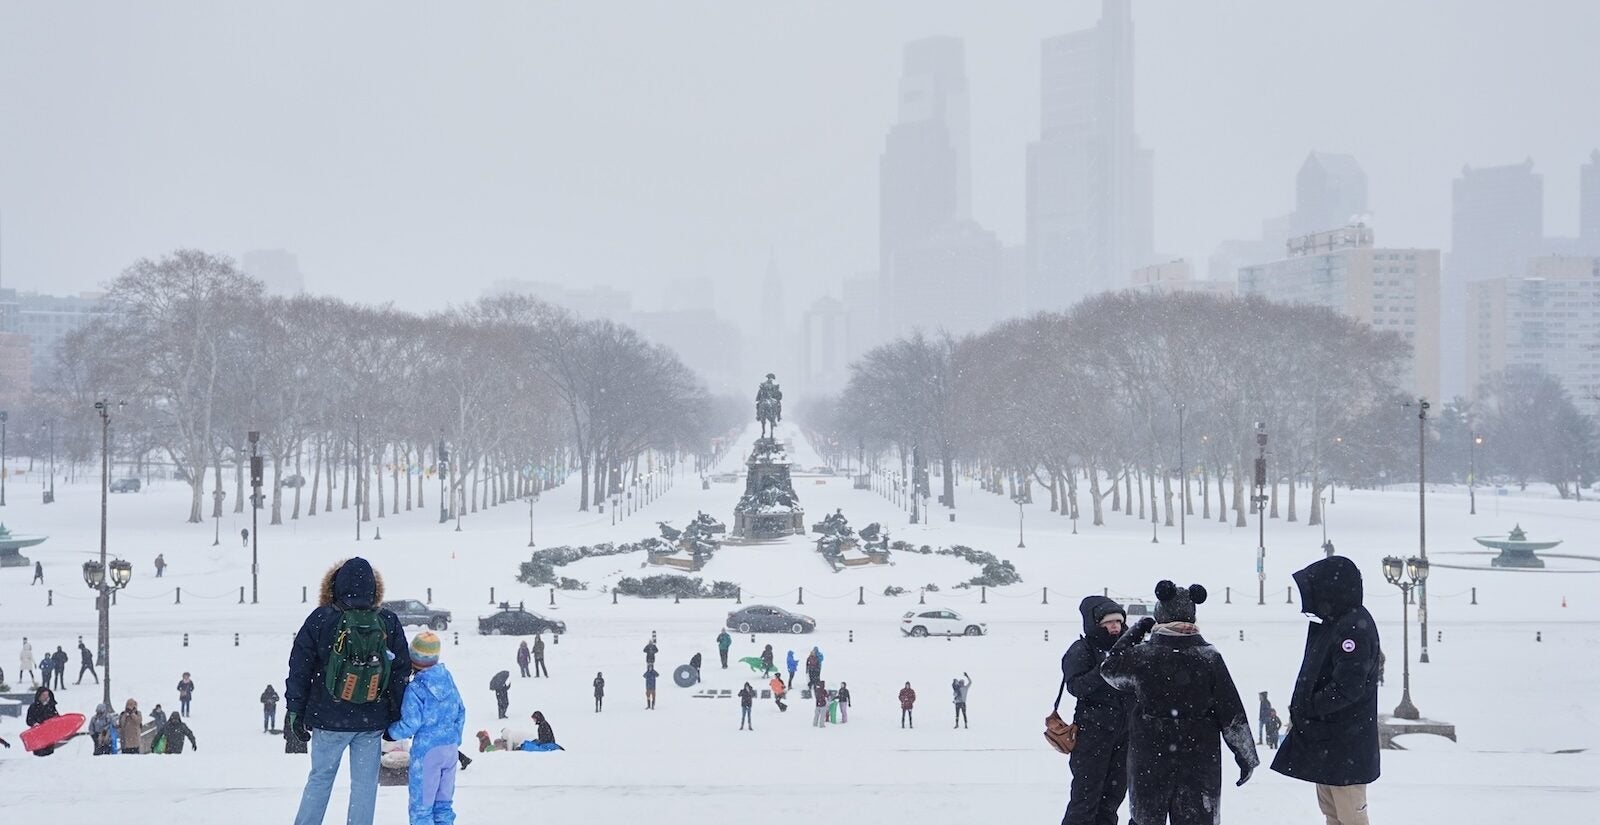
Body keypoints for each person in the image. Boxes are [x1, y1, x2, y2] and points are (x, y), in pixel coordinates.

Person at [1103, 580, 1258, 825]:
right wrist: (1245, 755)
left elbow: (1109, 669)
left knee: (1146, 819)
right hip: (1200, 753)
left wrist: (1136, 631)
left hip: (1149, 753)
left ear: (1160, 615)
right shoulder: (1208, 657)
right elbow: (1231, 712)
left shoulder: (1143, 655)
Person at [285, 557, 412, 825]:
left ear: (336, 586)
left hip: (329, 717)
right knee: (365, 787)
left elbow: (300, 666)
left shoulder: (321, 619)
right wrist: (396, 715)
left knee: (320, 779)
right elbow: (401, 671)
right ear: (374, 589)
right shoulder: (387, 621)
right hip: (371, 720)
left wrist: (295, 709)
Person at [1271, 556, 1382, 825]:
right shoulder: (1335, 622)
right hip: (1333, 746)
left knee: (1350, 817)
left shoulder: (1352, 628)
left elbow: (1347, 687)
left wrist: (1309, 706)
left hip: (1345, 747)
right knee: (1333, 815)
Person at [1058, 596, 1130, 825]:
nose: (1115, 626)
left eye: (1118, 621)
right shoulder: (1082, 649)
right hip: (1092, 737)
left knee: (1111, 802)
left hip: (1125, 736)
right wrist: (1103, 669)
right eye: (1109, 622)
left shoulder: (1130, 648)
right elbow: (1076, 687)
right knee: (1085, 800)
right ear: (1095, 624)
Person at [386, 630, 465, 825]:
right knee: (443, 805)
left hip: (427, 753)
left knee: (422, 808)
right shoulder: (448, 680)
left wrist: (390, 733)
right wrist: (455, 738)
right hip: (450, 750)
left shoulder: (416, 688)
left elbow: (411, 724)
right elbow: (461, 711)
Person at [25, 686, 59, 756]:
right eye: (44, 695)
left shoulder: (51, 707)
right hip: (38, 734)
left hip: (49, 734)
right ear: (39, 696)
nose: (46, 697)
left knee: (49, 752)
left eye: (47, 695)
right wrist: (35, 724)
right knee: (39, 752)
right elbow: (29, 720)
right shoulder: (33, 707)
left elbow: (56, 717)